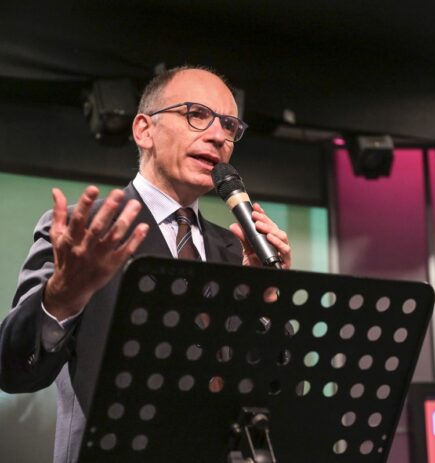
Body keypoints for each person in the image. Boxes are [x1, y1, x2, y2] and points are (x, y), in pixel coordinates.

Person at [0, 66, 292, 463]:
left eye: (229, 125)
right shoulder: (85, 234)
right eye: (197, 114)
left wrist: (267, 300)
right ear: (144, 130)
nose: (218, 136)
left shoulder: (235, 250)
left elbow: (275, 392)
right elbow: (15, 371)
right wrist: (62, 297)